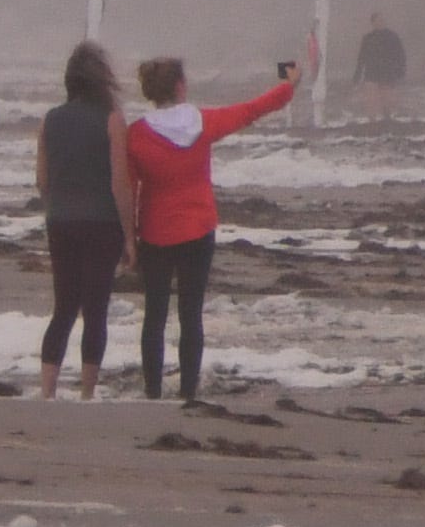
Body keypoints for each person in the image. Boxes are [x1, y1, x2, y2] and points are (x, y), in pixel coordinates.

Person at [120, 50, 299, 402]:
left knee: (154, 316)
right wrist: (289, 83)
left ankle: (153, 391)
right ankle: (188, 391)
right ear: (181, 86)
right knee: (191, 313)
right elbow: (252, 110)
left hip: (156, 232)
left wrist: (128, 238)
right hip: (199, 228)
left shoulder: (136, 136)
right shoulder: (202, 123)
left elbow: (128, 190)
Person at [30, 41, 134, 398]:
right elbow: (120, 183)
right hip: (102, 223)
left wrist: (58, 206)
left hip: (60, 222)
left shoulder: (50, 119)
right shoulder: (111, 120)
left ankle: (47, 390)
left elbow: (42, 180)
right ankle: (87, 393)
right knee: (95, 310)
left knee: (63, 308)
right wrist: (130, 236)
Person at [351, 11, 408, 122]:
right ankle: (371, 121)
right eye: (377, 21)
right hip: (371, 73)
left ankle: (387, 118)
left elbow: (400, 54)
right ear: (372, 23)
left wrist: (401, 70)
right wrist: (357, 75)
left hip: (387, 72)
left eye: (382, 20)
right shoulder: (368, 39)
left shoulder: (392, 37)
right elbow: (361, 58)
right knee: (371, 99)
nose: (380, 23)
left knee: (387, 98)